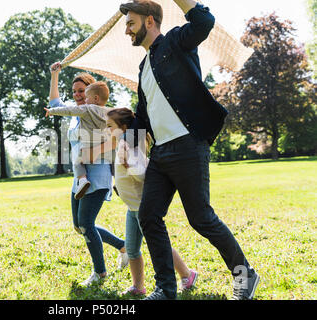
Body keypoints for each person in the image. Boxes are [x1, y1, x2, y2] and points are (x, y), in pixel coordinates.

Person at [118, 0, 260, 300]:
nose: (126, 28)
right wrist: (126, 149)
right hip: (161, 154)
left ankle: (245, 275)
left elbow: (203, 23)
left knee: (201, 218)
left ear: (149, 22)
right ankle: (165, 288)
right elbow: (143, 117)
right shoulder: (143, 67)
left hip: (188, 145)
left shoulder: (176, 42)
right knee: (149, 216)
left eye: (131, 22)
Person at [48, 62, 128, 286]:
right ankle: (123, 246)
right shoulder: (77, 114)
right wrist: (55, 75)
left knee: (86, 224)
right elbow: (54, 104)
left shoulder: (102, 115)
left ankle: (100, 273)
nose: (77, 95)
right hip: (79, 177)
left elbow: (116, 140)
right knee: (79, 225)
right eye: (74, 92)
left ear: (92, 92)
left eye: (81, 91)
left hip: (98, 174)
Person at [107, 108, 198, 297]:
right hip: (132, 208)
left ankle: (187, 275)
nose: (107, 131)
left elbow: (144, 175)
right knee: (131, 249)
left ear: (123, 127)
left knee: (158, 244)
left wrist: (129, 167)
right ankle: (138, 286)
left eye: (110, 127)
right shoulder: (123, 144)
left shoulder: (129, 145)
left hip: (142, 207)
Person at [45, 81, 113, 200]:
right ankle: (116, 178)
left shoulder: (86, 109)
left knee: (77, 161)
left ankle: (82, 180)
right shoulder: (109, 112)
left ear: (95, 98)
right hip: (101, 143)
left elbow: (68, 111)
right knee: (114, 157)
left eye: (84, 94)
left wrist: (51, 111)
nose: (81, 97)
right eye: (74, 91)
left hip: (88, 147)